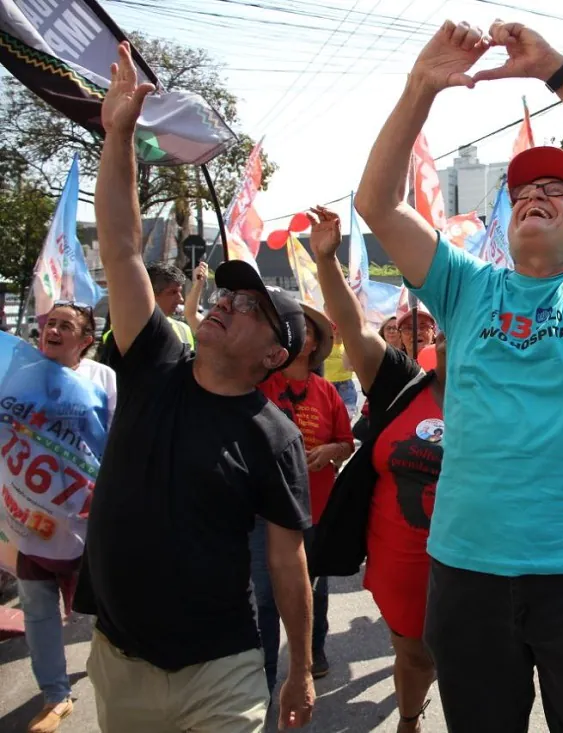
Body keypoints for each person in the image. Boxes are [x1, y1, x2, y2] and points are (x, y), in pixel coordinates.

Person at [355, 19, 563, 731]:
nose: (535, 195)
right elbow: (378, 203)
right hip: (466, 572)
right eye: (524, 189)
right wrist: (420, 88)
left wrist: (555, 69)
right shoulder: (467, 288)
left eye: (559, 190)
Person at [72, 43, 315, 732]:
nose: (225, 304)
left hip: (224, 671)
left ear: (274, 353)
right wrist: (117, 134)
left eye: (249, 308)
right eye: (226, 296)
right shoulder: (151, 359)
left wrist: (297, 669)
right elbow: (120, 245)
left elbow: (287, 561)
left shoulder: (275, 436)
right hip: (120, 665)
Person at [308, 206, 443, 732]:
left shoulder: (505, 398)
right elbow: (353, 325)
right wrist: (326, 260)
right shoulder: (402, 384)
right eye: (448, 330)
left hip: (478, 562)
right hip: (401, 560)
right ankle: (409, 719)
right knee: (416, 657)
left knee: (476, 666)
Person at [12, 302, 116, 733]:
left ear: (86, 340)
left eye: (65, 326)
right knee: (37, 609)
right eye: (49, 323)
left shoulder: (102, 378)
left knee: (101, 610)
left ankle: (117, 679)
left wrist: (108, 496)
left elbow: (115, 439)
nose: (52, 330)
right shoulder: (17, 375)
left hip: (84, 523)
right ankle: (56, 694)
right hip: (29, 516)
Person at [255, 303, 354, 686]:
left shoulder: (327, 391)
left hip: (316, 508)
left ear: (315, 344)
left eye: (307, 330)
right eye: (290, 327)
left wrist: (330, 451)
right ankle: (264, 667)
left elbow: (346, 442)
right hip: (266, 510)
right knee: (264, 595)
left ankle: (314, 650)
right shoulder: (261, 384)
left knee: (313, 587)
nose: (298, 334)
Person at [104, 261, 193, 349]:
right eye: (173, 292)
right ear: (150, 294)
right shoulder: (122, 334)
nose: (181, 299)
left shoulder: (183, 329)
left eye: (179, 292)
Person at [324, 323, 359, 419]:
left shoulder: (348, 345)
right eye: (333, 326)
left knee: (347, 416)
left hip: (346, 385)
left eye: (339, 326)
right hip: (327, 385)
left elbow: (354, 364)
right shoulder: (325, 345)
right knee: (328, 416)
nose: (336, 330)